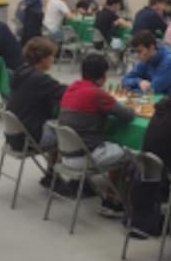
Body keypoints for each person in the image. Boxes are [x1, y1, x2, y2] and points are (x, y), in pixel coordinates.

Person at [57, 53, 135, 208]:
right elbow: (127, 115)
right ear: (103, 76)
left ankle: (88, 187)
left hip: (65, 154)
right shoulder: (97, 93)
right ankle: (112, 200)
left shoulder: (72, 87)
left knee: (110, 145)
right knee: (130, 154)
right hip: (86, 156)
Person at [5, 37, 66, 162]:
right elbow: (67, 93)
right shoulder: (39, 79)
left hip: (13, 137)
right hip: (30, 140)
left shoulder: (20, 73)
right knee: (70, 134)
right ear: (43, 59)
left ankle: (52, 170)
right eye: (52, 56)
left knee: (53, 124)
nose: (53, 59)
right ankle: (64, 171)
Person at [123, 31, 171, 96]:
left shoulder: (169, 62)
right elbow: (125, 80)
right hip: (155, 98)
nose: (137, 55)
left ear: (151, 47)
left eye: (139, 51)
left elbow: (151, 90)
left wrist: (131, 89)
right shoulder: (146, 59)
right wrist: (139, 82)